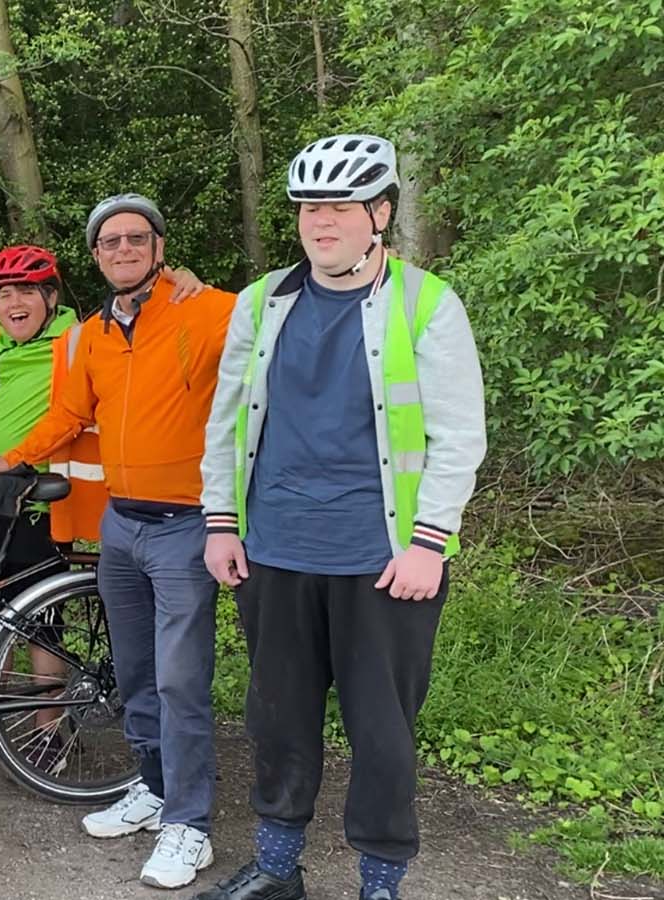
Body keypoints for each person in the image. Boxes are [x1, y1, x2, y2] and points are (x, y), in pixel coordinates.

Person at [193, 135, 487, 900]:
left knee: (382, 736)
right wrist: (220, 521)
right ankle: (277, 868)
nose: (322, 223)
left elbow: (460, 436)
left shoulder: (427, 303)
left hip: (383, 561)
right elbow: (226, 422)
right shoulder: (263, 302)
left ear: (379, 213)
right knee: (277, 722)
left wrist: (429, 544)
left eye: (340, 207)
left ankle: (380, 882)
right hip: (276, 552)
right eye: (309, 209)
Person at [0, 193, 237, 889]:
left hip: (187, 524)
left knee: (183, 679)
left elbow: (278, 315)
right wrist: (16, 458)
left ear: (159, 246)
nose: (122, 249)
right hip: (121, 523)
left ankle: (191, 825)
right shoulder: (90, 333)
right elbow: (69, 411)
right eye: (109, 242)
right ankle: (154, 789)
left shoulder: (206, 311)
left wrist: (198, 285)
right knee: (135, 673)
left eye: (136, 238)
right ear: (95, 256)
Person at [0, 245, 96, 769]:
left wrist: (19, 459)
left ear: (51, 297)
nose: (13, 303)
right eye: (3, 294)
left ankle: (49, 730)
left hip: (37, 501)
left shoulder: (75, 342)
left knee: (39, 620)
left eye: (27, 291)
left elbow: (71, 417)